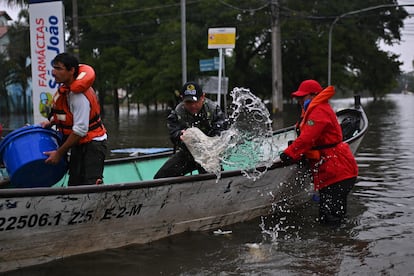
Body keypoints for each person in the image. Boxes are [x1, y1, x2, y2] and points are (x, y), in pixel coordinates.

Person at [279, 79, 358, 224]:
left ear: (313, 95)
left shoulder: (319, 110)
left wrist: (287, 155)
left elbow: (307, 138)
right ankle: (341, 243)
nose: (299, 101)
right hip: (334, 171)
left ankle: (339, 243)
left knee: (331, 221)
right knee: (330, 219)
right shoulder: (313, 110)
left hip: (338, 172)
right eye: (298, 98)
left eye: (302, 97)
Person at [41, 53, 107, 186]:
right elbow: (69, 116)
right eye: (53, 68)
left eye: (59, 69)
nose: (54, 72)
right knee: (75, 182)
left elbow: (80, 130)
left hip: (93, 144)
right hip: (79, 142)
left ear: (71, 71)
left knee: (90, 184)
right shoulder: (67, 91)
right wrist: (52, 122)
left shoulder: (79, 96)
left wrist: (59, 153)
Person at [154, 81, 228, 179]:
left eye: (196, 102)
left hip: (209, 156)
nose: (193, 106)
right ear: (182, 99)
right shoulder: (176, 114)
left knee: (212, 178)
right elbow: (173, 134)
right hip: (187, 154)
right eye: (188, 102)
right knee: (160, 177)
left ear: (203, 97)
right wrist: (180, 135)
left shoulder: (214, 110)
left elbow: (222, 133)